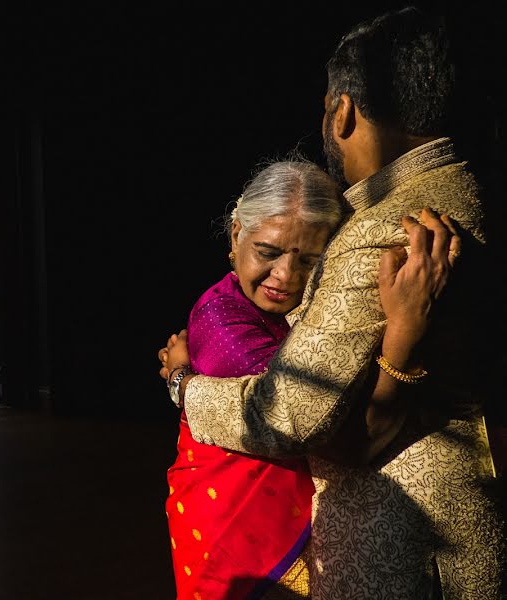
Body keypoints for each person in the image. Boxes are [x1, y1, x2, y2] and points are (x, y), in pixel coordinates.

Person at [158, 7, 505, 599]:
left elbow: (294, 414)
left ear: (341, 111)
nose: (287, 275)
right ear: (235, 234)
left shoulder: (389, 226)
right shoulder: (460, 189)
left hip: (402, 543)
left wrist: (183, 384)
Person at [163, 159, 453, 600]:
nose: (285, 276)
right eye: (268, 251)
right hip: (240, 534)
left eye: (311, 260)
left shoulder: (279, 313)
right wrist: (404, 335)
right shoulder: (223, 324)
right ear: (236, 232)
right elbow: (334, 441)